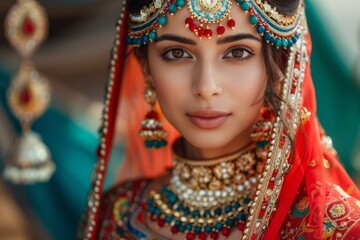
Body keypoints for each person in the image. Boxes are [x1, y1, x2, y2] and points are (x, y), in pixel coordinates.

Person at [79, 0, 360, 239]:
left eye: (237, 52)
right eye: (177, 53)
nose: (206, 86)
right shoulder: (116, 212)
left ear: (280, 65)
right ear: (146, 66)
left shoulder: (329, 227)